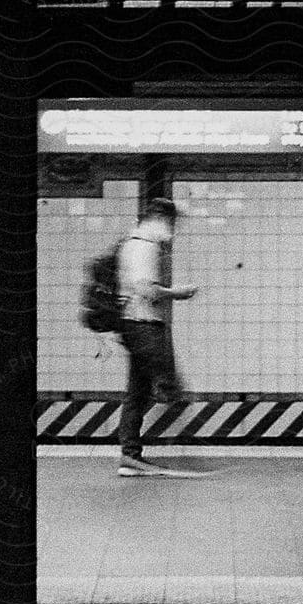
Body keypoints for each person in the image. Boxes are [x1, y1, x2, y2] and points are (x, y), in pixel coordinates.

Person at [116, 198, 199, 476]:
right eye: (173, 222)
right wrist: (178, 292)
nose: (174, 229)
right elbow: (146, 290)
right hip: (142, 325)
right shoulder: (143, 246)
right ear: (160, 220)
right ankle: (135, 451)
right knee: (169, 384)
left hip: (134, 324)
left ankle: (130, 457)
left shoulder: (132, 241)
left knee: (136, 394)